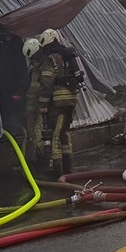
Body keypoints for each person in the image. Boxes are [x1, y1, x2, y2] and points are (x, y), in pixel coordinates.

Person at [35, 28, 83, 177]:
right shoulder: (67, 54)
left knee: (55, 135)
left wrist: (42, 104)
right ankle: (68, 168)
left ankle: (57, 172)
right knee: (64, 133)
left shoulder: (50, 58)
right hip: (72, 98)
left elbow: (46, 83)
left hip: (58, 101)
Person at [21, 37, 45, 163]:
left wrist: (29, 108)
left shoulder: (38, 69)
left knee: (35, 130)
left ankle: (42, 158)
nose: (31, 59)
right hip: (46, 104)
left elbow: (34, 90)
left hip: (39, 105)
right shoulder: (45, 63)